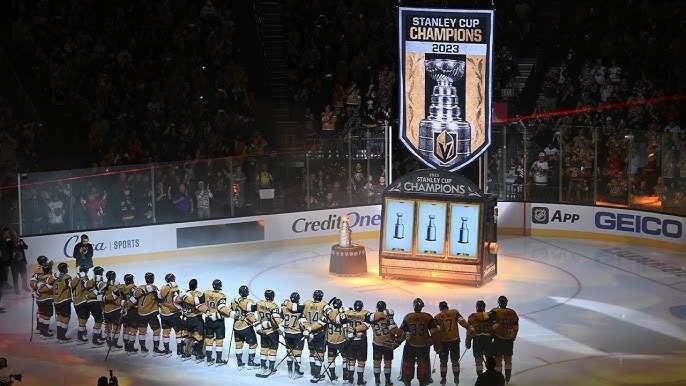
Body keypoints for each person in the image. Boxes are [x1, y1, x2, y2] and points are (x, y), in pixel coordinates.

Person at [399, 298, 440, 386]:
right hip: (423, 346)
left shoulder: (408, 317)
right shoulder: (427, 317)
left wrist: (397, 342)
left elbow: (401, 332)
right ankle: (423, 382)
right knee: (423, 367)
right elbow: (435, 333)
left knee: (408, 365)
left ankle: (407, 381)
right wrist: (434, 343)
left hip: (410, 345)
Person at [434, 301, 472, 385]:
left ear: (440, 308)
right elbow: (462, 322)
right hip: (454, 340)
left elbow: (437, 331)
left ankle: (443, 379)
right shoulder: (454, 312)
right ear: (447, 307)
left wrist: (436, 344)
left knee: (443, 362)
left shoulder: (437, 317)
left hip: (443, 342)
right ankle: (456, 378)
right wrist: (469, 328)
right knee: (455, 361)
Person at [366, 300, 401, 386]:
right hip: (387, 343)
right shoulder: (388, 317)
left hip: (377, 343)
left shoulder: (372, 317)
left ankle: (377, 380)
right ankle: (387, 381)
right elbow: (394, 330)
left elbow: (367, 319)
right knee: (388, 363)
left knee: (376, 363)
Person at [198, 279, 230, 366]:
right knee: (219, 340)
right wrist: (229, 313)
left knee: (209, 339)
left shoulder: (206, 293)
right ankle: (218, 359)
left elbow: (199, 303)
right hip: (218, 321)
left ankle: (209, 358)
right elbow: (222, 308)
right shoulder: (221, 296)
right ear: (220, 286)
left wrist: (207, 312)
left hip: (208, 319)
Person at [489, 296, 519, 383]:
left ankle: (498, 377)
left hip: (498, 339)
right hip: (508, 340)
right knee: (508, 359)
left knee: (498, 359)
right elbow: (516, 327)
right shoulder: (512, 312)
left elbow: (491, 324)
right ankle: (508, 376)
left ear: (498, 302)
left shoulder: (494, 311)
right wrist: (513, 336)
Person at [229, 285, 260, 369]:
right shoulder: (249, 301)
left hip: (236, 327)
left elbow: (230, 311)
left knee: (238, 344)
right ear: (247, 293)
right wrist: (255, 321)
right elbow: (249, 314)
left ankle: (239, 363)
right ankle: (251, 362)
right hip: (246, 327)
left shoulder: (233, 301)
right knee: (253, 344)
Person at [302, 289, 330, 382]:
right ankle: (317, 374)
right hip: (319, 333)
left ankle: (313, 371)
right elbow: (328, 316)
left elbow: (302, 317)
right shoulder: (324, 305)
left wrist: (307, 328)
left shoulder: (307, 304)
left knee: (312, 352)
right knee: (319, 354)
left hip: (308, 334)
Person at [133, 272, 164, 356]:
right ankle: (156, 349)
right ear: (153, 279)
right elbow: (159, 298)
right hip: (151, 313)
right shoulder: (154, 288)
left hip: (140, 313)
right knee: (157, 330)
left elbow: (135, 294)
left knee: (142, 331)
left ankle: (143, 349)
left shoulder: (140, 287)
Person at [176, 278, 205, 361]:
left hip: (185, 319)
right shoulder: (198, 294)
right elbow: (201, 301)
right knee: (198, 336)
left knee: (185, 336)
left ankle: (184, 353)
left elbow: (176, 300)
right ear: (196, 286)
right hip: (195, 318)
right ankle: (198, 355)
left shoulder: (184, 293)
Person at [280, 291, 307, 378]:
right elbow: (303, 322)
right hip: (297, 334)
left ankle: (289, 370)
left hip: (287, 333)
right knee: (297, 353)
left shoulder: (284, 308)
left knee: (289, 352)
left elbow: (281, 318)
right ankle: (297, 371)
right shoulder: (300, 310)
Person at [255, 289, 282, 373]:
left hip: (263, 331)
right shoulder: (274, 306)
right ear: (273, 297)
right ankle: (271, 367)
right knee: (273, 350)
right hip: (272, 332)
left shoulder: (259, 303)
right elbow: (276, 321)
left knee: (264, 348)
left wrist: (261, 325)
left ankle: (263, 366)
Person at [345, 300, 371, 385]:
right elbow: (367, 325)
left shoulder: (348, 313)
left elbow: (342, 323)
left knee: (351, 361)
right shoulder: (365, 313)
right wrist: (356, 329)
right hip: (361, 341)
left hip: (351, 340)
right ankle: (360, 380)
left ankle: (350, 379)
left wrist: (350, 330)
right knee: (361, 361)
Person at [466, 300, 494, 376]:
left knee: (478, 361)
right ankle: (491, 376)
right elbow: (494, 328)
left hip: (477, 340)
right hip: (487, 340)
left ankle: (480, 377)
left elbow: (469, 331)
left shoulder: (472, 317)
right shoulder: (489, 315)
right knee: (489, 359)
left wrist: (468, 342)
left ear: (476, 307)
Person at [159, 273, 184, 357]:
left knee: (166, 332)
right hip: (173, 314)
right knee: (178, 332)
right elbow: (176, 300)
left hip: (163, 314)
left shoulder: (163, 288)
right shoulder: (174, 288)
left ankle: (166, 350)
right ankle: (179, 350)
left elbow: (159, 297)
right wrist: (180, 308)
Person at [324, 298, 348, 382]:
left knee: (331, 359)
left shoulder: (328, 313)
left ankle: (333, 376)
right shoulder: (343, 313)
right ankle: (346, 377)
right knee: (345, 358)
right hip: (341, 340)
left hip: (330, 340)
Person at [85, 266, 108, 346]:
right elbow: (104, 287)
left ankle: (98, 336)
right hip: (94, 302)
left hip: (90, 301)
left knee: (99, 320)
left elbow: (86, 285)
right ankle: (95, 340)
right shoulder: (99, 281)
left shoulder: (92, 280)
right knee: (98, 320)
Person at [102, 270, 124, 351]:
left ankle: (108, 343)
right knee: (116, 328)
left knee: (108, 327)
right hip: (115, 309)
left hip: (106, 310)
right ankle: (114, 344)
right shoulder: (115, 287)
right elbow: (114, 297)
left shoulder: (103, 285)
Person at [120, 273, 140, 355]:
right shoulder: (133, 288)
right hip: (132, 311)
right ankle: (131, 347)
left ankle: (126, 346)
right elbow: (137, 297)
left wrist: (125, 305)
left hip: (124, 310)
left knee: (126, 328)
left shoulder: (122, 288)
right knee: (133, 329)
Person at [52, 263, 73, 343]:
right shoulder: (67, 277)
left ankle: (59, 336)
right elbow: (71, 285)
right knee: (66, 318)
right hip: (64, 300)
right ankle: (62, 337)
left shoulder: (55, 277)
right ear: (64, 269)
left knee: (59, 318)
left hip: (56, 301)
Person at [35, 264, 56, 338]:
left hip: (39, 299)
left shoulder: (40, 277)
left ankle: (41, 330)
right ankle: (45, 333)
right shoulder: (49, 278)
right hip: (46, 299)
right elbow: (50, 285)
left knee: (41, 315)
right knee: (47, 316)